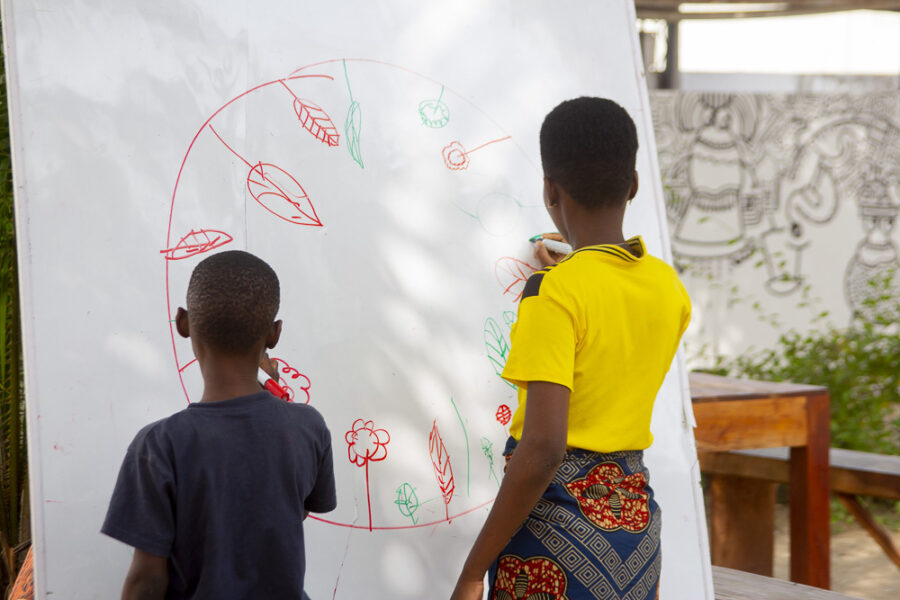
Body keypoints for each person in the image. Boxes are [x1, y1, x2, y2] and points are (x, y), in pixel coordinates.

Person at [450, 97, 691, 600]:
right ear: (633, 185)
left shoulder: (552, 292)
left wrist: (474, 571)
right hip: (636, 538)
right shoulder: (668, 287)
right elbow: (610, 312)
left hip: (555, 537)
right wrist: (575, 266)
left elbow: (543, 449)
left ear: (549, 189)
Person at [102, 250, 336, 599]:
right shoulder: (308, 427)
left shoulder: (160, 445)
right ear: (273, 334)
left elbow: (147, 581)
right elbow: (291, 509)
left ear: (183, 322)